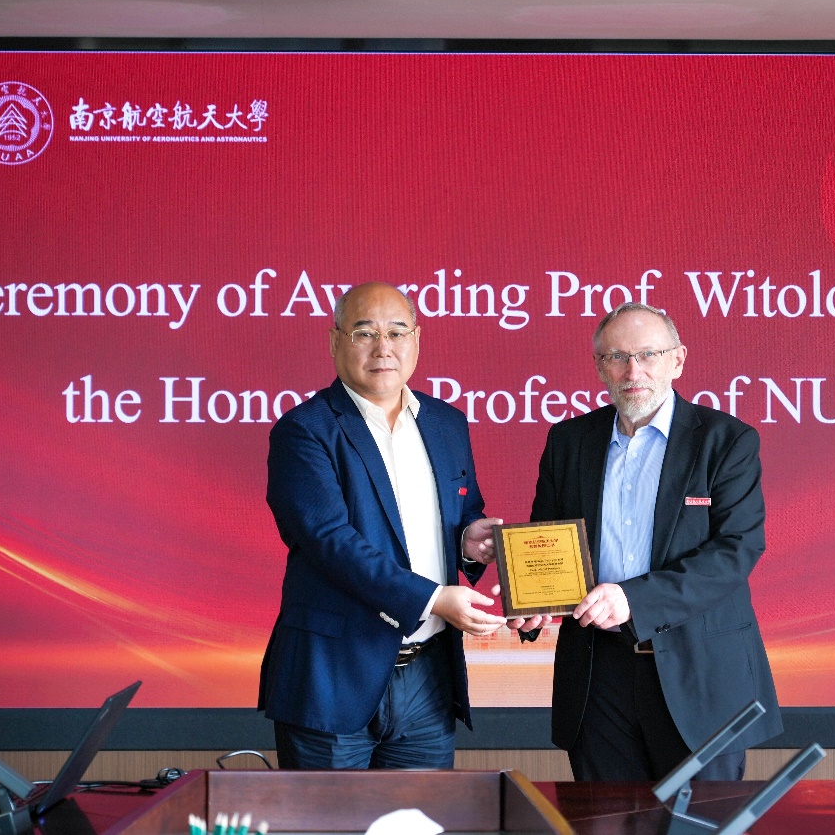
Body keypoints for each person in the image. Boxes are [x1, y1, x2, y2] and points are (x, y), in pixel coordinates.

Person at [517, 301, 782, 781]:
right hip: (598, 677)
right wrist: (535, 601)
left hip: (699, 675)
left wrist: (632, 599)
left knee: (700, 818)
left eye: (647, 355)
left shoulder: (725, 440)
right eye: (617, 357)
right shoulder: (569, 441)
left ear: (678, 360)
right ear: (600, 366)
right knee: (604, 817)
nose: (632, 371)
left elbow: (736, 550)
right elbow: (548, 540)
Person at [258, 281, 506, 770]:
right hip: (333, 677)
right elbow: (330, 542)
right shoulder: (304, 431)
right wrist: (433, 599)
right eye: (364, 332)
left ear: (417, 339)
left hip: (427, 679)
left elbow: (463, 510)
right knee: (330, 817)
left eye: (396, 332)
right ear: (335, 341)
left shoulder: (446, 423)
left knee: (418, 813)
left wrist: (467, 539)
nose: (383, 348)